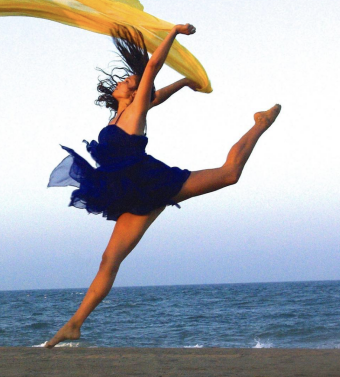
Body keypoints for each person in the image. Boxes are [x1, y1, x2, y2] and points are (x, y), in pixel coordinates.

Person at [45, 24, 281, 348]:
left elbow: (153, 68)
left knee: (229, 174)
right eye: (127, 80)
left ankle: (261, 123)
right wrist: (183, 82)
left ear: (134, 93)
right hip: (131, 194)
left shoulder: (134, 111)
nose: (123, 81)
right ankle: (74, 325)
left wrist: (174, 32)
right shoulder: (119, 116)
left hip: (154, 183)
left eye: (130, 81)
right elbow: (157, 96)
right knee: (108, 260)